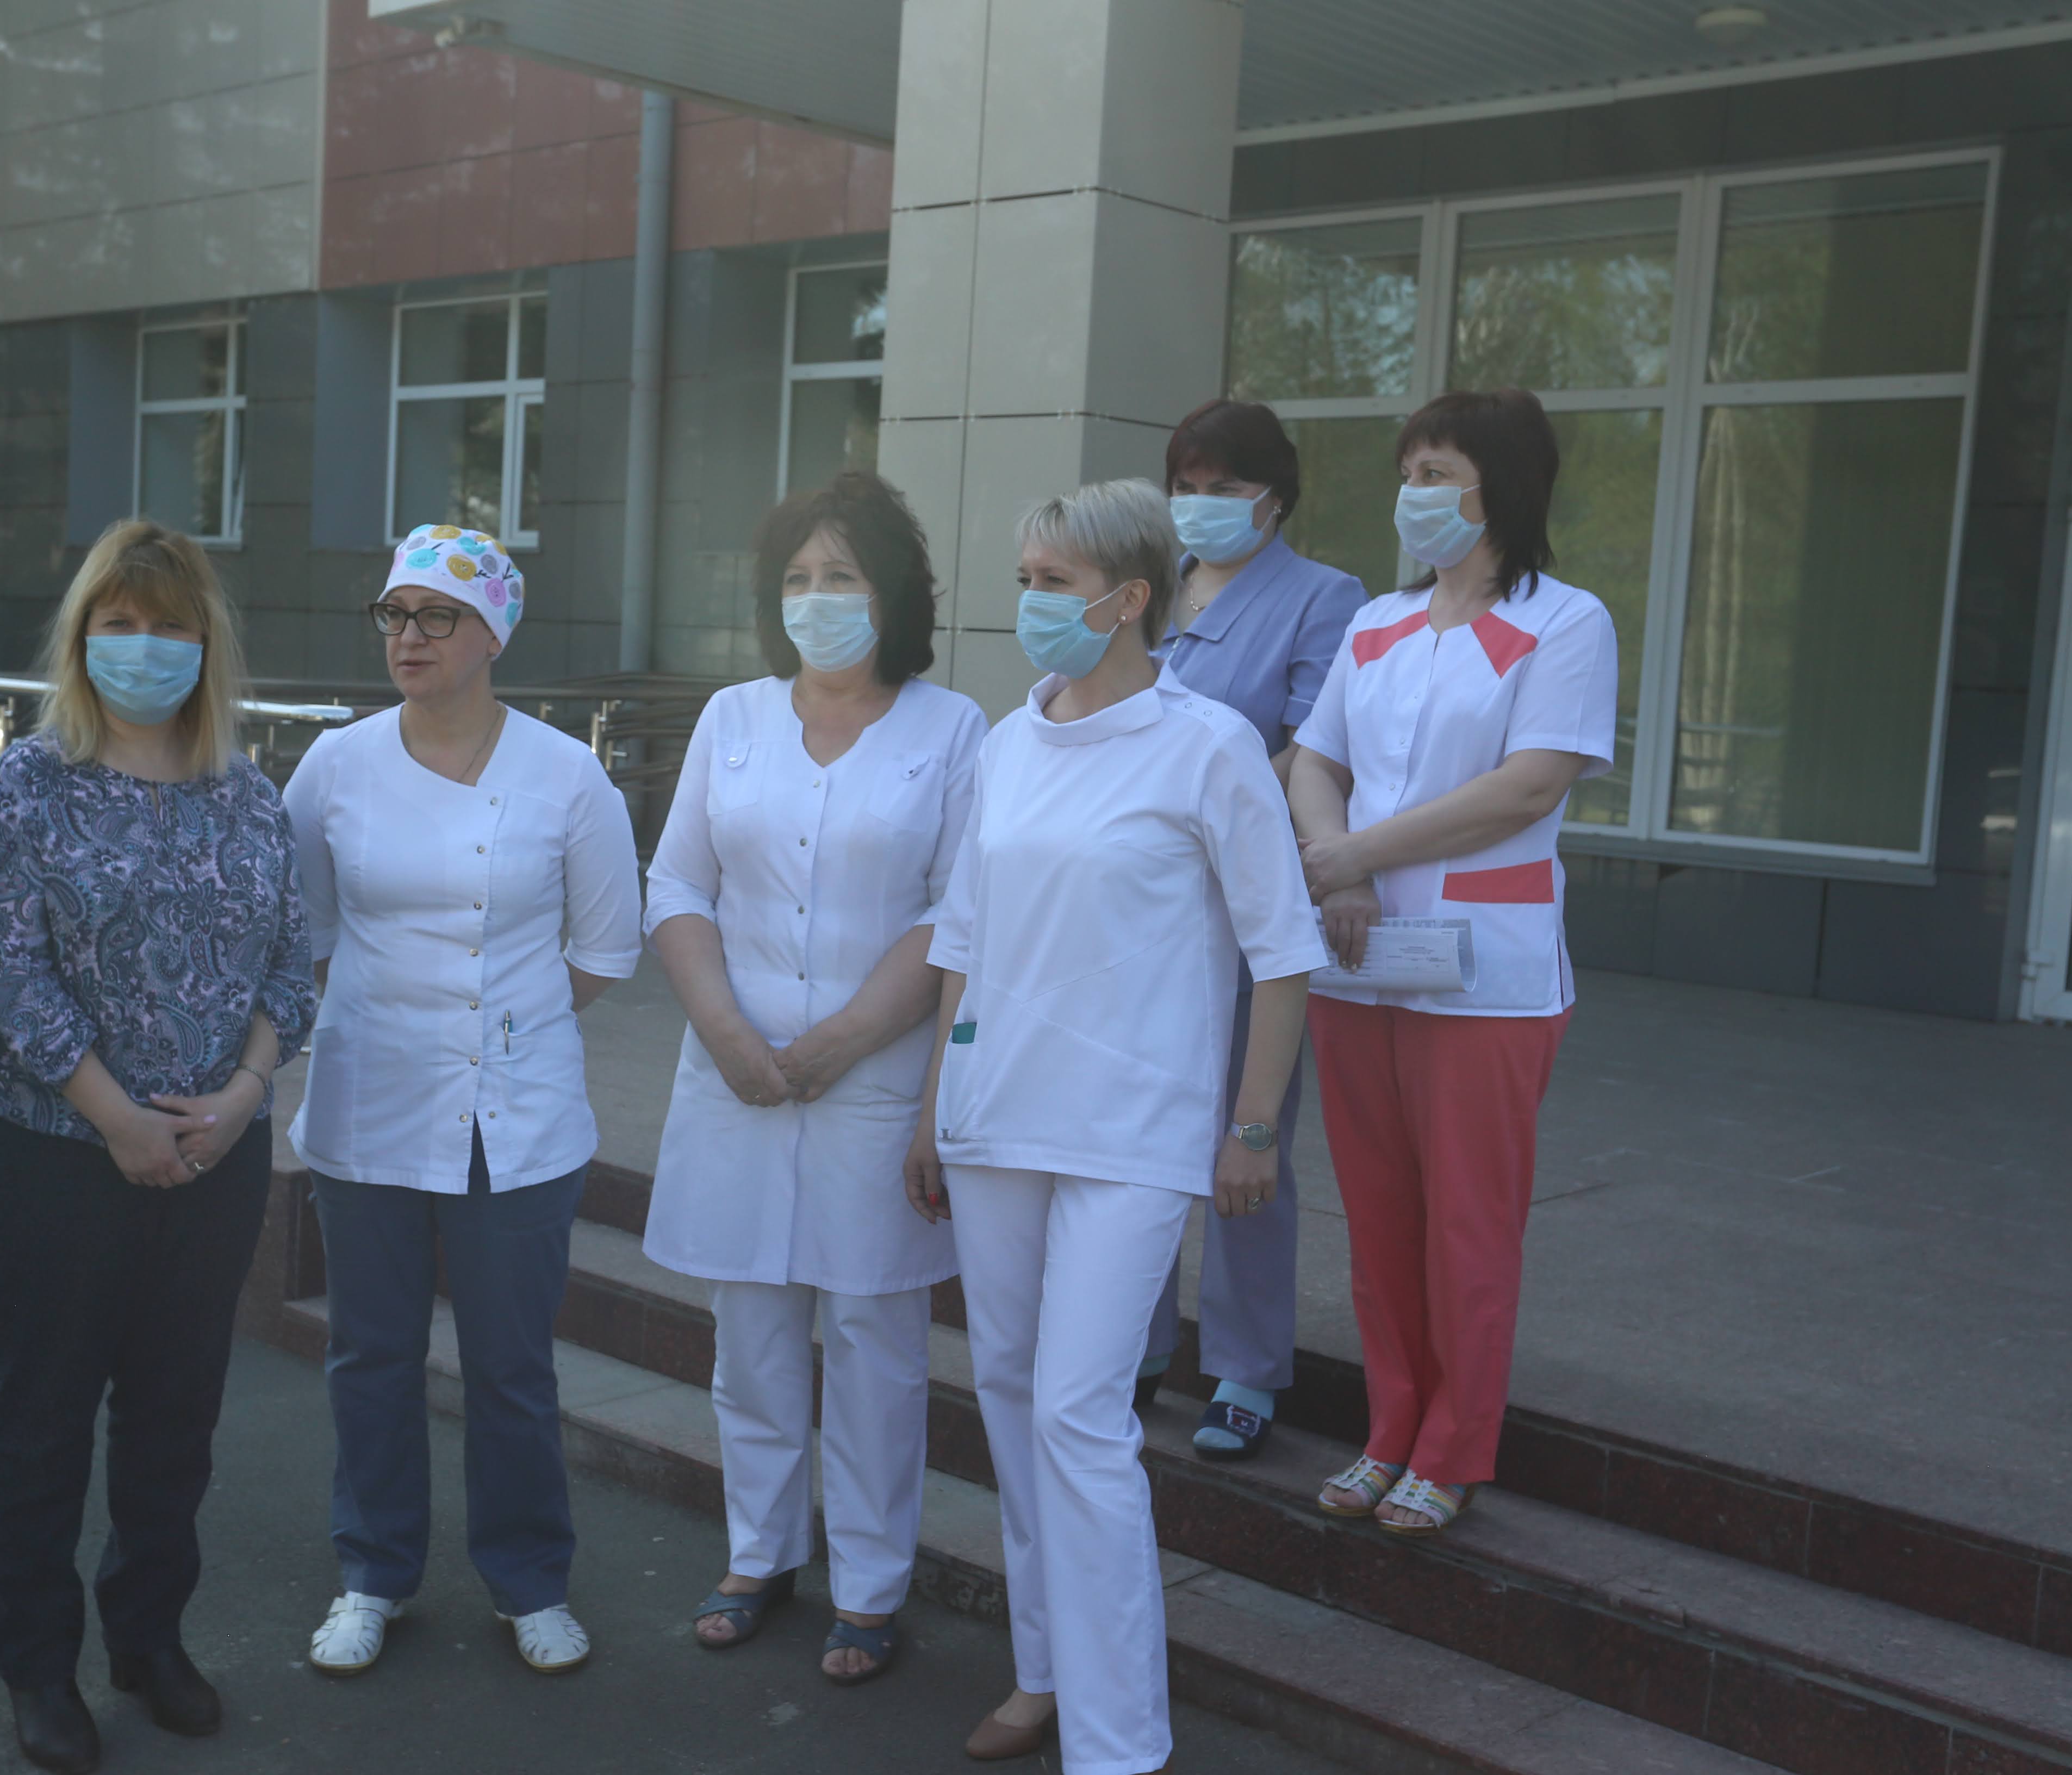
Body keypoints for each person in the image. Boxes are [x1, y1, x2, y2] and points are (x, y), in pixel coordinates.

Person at [906, 479, 1327, 1773]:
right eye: (1025, 576)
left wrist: (1251, 1129)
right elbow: (962, 941)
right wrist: (933, 1110)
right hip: (996, 1118)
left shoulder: (1207, 745)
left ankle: (1118, 1739)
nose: (1028, 601)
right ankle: (1043, 1669)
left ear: (1128, 596)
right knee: (1012, 1396)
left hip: (1134, 1132)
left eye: (1052, 580)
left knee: (1081, 1418)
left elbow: (1281, 950)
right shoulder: (1007, 741)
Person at [0, 519, 314, 1772]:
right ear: (82, 637)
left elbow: (291, 964)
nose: (143, 646)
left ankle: (148, 1639)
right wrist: (116, 1116)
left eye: (168, 625)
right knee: (41, 1423)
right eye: (119, 623)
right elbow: (9, 971)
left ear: (206, 643)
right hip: (49, 1153)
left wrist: (245, 1092)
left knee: (175, 1417)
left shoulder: (247, 795)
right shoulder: (29, 785)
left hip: (213, 1157)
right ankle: (38, 1667)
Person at [643, 471, 984, 1684]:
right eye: (797, 577)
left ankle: (872, 1583)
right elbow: (679, 883)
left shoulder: (952, 729)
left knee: (875, 1345)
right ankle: (758, 1554)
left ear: (893, 594)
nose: (818, 598)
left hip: (873, 1079)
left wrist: (844, 1037)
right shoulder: (731, 716)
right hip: (736, 1077)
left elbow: (956, 913)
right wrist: (724, 1027)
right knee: (750, 1341)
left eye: (842, 575)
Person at [286, 524, 642, 1680]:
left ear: (494, 635)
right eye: (394, 615)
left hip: (516, 1113)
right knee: (370, 1355)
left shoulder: (565, 773)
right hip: (368, 1100)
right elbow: (307, 928)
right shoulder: (335, 765)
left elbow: (606, 948)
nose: (410, 638)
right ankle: (372, 1572)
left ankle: (530, 1580)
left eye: (437, 617)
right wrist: (400, 1021)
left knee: (510, 1368)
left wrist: (500, 1027)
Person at [1289, 388, 1619, 1537]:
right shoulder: (1374, 624)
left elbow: (1526, 786)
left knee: (1467, 1225)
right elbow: (1314, 760)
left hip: (1485, 980)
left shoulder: (1564, 622)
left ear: (1503, 487)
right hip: (1356, 958)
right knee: (1378, 1219)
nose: (1414, 495)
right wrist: (1344, 873)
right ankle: (1389, 1429)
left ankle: (1453, 1446)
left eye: (1437, 473)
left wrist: (1355, 854)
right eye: (1409, 473)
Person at [1138, 398, 1368, 1461]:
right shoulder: (1148, 584)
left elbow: (1317, 745)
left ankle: (1244, 1365)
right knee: (1133, 1136)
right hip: (1133, 904)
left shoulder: (1323, 598)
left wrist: (1200, 799)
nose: (1202, 506)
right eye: (1187, 487)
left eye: (1225, 489)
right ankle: (1135, 1343)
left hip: (1238, 900)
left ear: (1275, 496)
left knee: (1248, 1127)